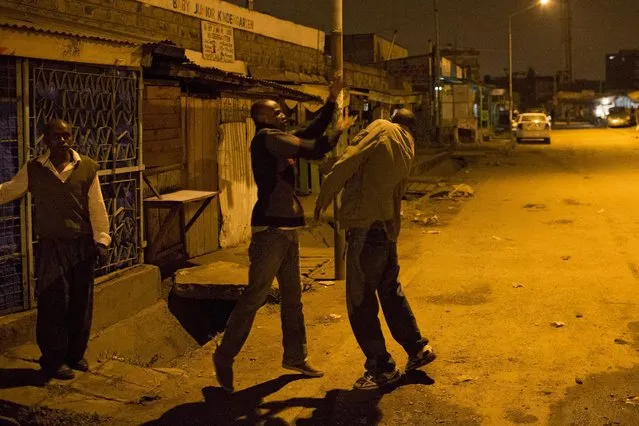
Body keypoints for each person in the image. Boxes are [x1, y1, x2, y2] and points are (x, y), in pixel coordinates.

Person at [213, 81, 357, 393]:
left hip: (288, 230)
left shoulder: (277, 137)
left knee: (293, 299)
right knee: (255, 296)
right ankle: (224, 356)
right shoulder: (267, 139)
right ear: (262, 118)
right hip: (271, 231)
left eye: (281, 112)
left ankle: (295, 356)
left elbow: (307, 130)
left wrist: (332, 103)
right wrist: (339, 129)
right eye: (276, 113)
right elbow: (315, 146)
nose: (282, 116)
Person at [314, 110, 436, 390]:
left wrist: (324, 196)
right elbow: (366, 170)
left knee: (360, 302)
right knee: (391, 292)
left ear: (390, 117)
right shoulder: (407, 144)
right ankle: (417, 350)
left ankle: (382, 367)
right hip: (386, 229)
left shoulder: (382, 128)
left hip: (365, 227)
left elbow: (350, 158)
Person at [0, 119, 110, 380]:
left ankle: (75, 354)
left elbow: (97, 207)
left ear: (72, 137)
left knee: (81, 303)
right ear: (45, 139)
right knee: (53, 303)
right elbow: (9, 190)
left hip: (82, 245)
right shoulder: (35, 169)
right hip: (52, 247)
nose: (62, 140)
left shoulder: (87, 168)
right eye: (56, 136)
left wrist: (102, 240)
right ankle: (53, 360)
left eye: (66, 135)